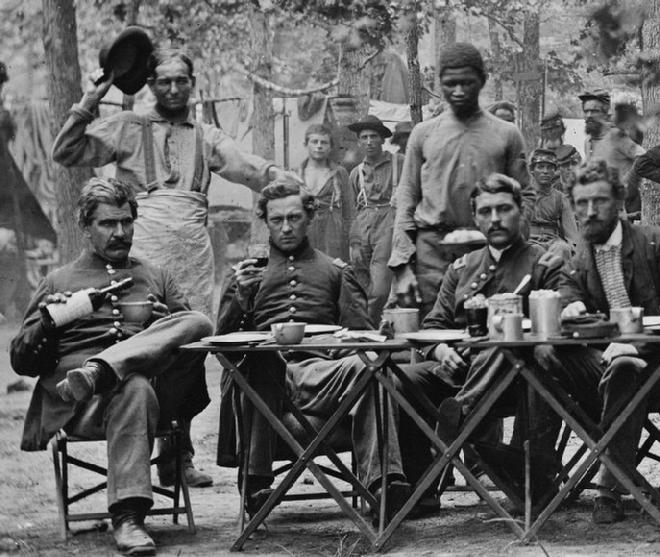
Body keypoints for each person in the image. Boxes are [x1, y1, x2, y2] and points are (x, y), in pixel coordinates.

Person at [51, 47, 296, 485]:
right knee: (144, 344)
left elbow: (249, 169)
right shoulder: (128, 127)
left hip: (193, 255)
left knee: (189, 350)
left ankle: (176, 455)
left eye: (181, 80)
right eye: (163, 81)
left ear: (192, 82)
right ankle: (135, 444)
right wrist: (93, 96)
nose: (172, 88)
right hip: (139, 254)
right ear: (149, 85)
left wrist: (284, 177)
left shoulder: (207, 135)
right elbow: (67, 151)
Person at [10, 177, 213, 556]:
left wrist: (164, 321)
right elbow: (21, 361)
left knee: (198, 322)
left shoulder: (156, 275)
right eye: (107, 224)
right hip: (82, 403)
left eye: (126, 222)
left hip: (151, 397)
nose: (120, 232)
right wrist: (49, 324)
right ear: (86, 228)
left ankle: (104, 368)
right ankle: (129, 519)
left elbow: (191, 337)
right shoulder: (60, 281)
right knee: (133, 385)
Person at [216, 177, 410, 520]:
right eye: (277, 220)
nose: (286, 228)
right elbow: (225, 351)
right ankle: (257, 481)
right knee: (261, 364)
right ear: (266, 222)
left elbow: (359, 337)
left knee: (369, 369)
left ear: (310, 218)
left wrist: (371, 337)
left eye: (294, 218)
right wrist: (241, 303)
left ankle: (384, 483)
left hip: (325, 375)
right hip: (268, 380)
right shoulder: (244, 275)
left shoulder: (334, 272)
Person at [396, 173, 563, 513]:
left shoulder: (541, 262)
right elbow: (434, 325)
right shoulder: (463, 267)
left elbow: (554, 326)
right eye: (485, 212)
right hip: (461, 371)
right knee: (402, 378)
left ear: (521, 212)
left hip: (521, 376)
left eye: (504, 209)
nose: (495, 219)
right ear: (475, 218)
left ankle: (460, 421)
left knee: (504, 347)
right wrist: (442, 351)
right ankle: (422, 488)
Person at [536, 159, 660, 524]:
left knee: (624, 367)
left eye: (599, 202)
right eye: (581, 204)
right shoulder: (582, 255)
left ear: (620, 201)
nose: (589, 212)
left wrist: (636, 344)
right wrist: (569, 302)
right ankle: (534, 476)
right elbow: (567, 286)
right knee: (537, 357)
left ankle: (609, 489)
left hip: (654, 366)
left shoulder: (652, 244)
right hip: (604, 371)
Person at [390, 42, 534, 319]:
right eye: (450, 83)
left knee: (491, 329)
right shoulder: (423, 134)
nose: (458, 91)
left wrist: (512, 246)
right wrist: (402, 264)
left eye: (466, 83)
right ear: (439, 83)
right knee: (431, 333)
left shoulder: (506, 133)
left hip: (489, 248)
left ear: (482, 81)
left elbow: (525, 196)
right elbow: (407, 197)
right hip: (432, 252)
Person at [347, 115, 404, 324]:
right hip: (363, 227)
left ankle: (370, 331)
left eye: (374, 136)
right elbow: (352, 211)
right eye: (364, 137)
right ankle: (365, 331)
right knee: (361, 284)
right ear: (359, 142)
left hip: (389, 223)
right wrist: (353, 243)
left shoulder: (399, 163)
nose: (369, 141)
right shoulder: (355, 173)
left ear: (382, 140)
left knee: (380, 288)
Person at [296, 123, 352, 260]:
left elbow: (349, 211)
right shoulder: (296, 175)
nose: (319, 146)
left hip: (332, 235)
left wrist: (353, 242)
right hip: (304, 232)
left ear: (331, 147)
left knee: (332, 273)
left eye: (324, 142)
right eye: (314, 142)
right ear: (305, 144)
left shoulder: (339, 173)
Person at [528, 148, 578, 257]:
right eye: (540, 167)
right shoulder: (523, 195)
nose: (545, 171)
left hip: (553, 242)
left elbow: (571, 233)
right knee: (533, 250)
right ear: (532, 170)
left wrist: (574, 249)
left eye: (549, 167)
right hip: (528, 241)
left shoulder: (561, 198)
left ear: (554, 171)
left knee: (563, 249)